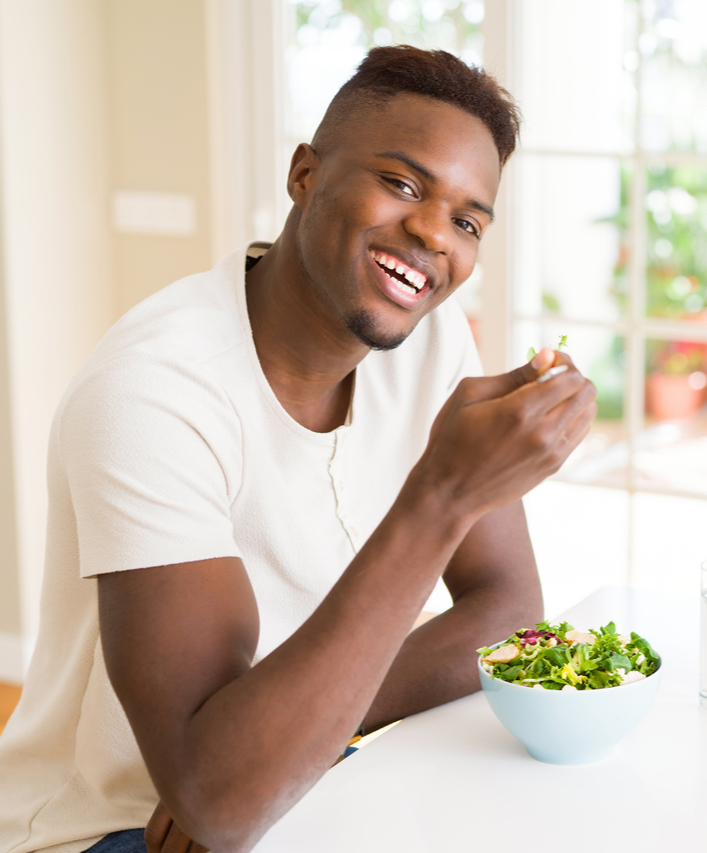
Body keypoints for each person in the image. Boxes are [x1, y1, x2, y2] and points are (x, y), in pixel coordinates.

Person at [0, 46, 595, 853]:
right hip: (114, 825)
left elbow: (508, 611)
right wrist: (444, 493)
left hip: (291, 773)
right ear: (305, 175)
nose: (430, 232)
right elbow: (211, 800)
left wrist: (296, 737)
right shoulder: (154, 392)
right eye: (402, 183)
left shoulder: (429, 341)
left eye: (466, 220)